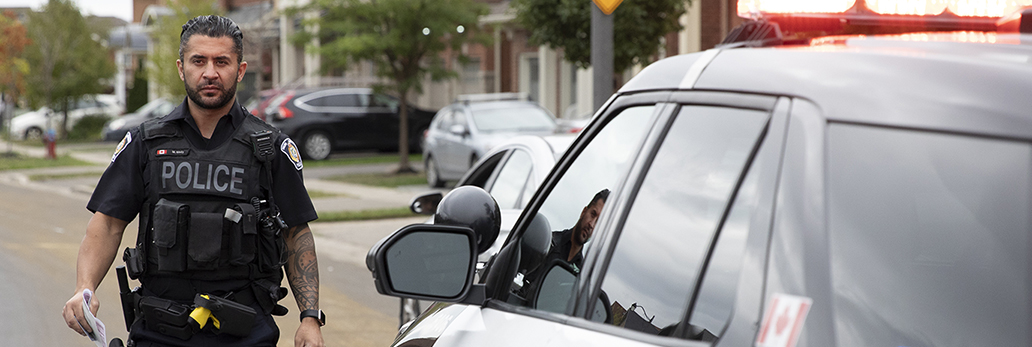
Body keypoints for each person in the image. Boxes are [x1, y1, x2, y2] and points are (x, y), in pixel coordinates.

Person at [61, 15, 325, 347]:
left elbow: (295, 234)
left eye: (222, 61)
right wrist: (84, 288)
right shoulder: (146, 142)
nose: (210, 72)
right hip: (160, 330)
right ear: (181, 67)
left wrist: (310, 317)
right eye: (198, 60)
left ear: (240, 70)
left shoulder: (269, 147)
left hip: (245, 332)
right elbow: (108, 224)